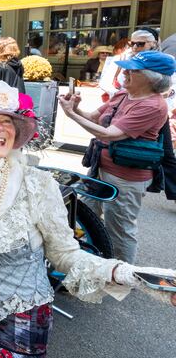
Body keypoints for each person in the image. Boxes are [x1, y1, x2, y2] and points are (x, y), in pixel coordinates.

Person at [0, 81, 176, 358]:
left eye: (7, 122)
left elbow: (65, 254)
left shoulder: (36, 185)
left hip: (19, 322)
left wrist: (126, 272)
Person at [59, 50, 174, 263]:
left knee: (120, 229)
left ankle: (120, 276)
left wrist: (71, 115)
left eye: (133, 70)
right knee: (86, 214)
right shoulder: (123, 94)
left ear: (151, 77)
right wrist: (76, 108)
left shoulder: (153, 106)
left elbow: (110, 134)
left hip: (127, 178)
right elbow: (95, 118)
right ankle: (93, 262)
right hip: (100, 167)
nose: (126, 72)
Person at [100, 30, 159, 100]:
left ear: (153, 43)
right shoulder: (121, 58)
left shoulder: (161, 61)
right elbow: (104, 83)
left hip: (149, 104)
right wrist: (121, 95)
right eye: (132, 43)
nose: (135, 47)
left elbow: (171, 84)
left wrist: (170, 92)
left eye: (140, 44)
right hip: (121, 102)